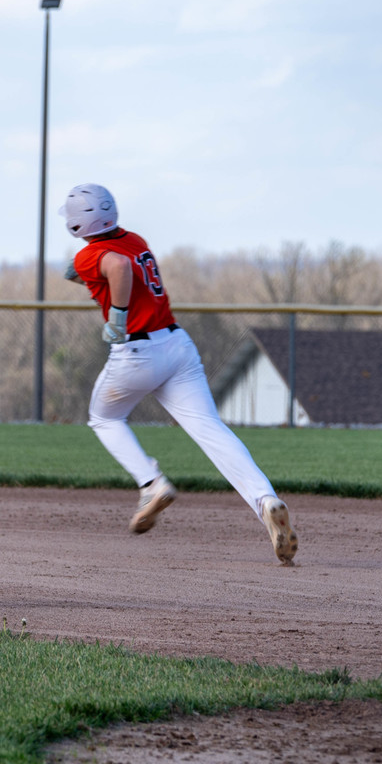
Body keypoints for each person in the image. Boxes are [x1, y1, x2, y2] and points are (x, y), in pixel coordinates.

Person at [60, 183, 297, 565]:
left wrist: (117, 316)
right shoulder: (134, 239)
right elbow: (112, 262)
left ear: (75, 224)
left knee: (105, 418)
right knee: (210, 429)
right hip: (176, 346)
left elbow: (116, 267)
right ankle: (265, 499)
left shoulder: (94, 255)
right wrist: (81, 270)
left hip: (137, 353)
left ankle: (152, 484)